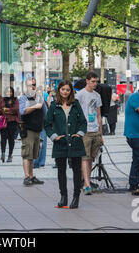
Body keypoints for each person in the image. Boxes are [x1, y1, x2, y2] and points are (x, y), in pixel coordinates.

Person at [45, 80, 87, 209]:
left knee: (76, 171)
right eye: (63, 89)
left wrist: (79, 134)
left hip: (75, 143)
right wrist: (54, 137)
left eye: (67, 90)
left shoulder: (76, 104)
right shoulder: (53, 105)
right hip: (60, 143)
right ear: (59, 90)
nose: (65, 92)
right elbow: (47, 124)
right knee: (61, 171)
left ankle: (76, 197)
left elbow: (83, 122)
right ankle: (63, 197)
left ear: (71, 92)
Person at [75, 71, 103, 195]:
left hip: (95, 130)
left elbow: (99, 114)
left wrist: (101, 133)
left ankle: (86, 180)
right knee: (85, 158)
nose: (95, 84)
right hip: (85, 131)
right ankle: (86, 184)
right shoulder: (80, 95)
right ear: (87, 81)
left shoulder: (97, 95)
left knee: (91, 158)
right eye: (92, 81)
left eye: (96, 81)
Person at [19, 77, 47, 186]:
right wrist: (35, 106)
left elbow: (45, 112)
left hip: (38, 129)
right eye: (30, 85)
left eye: (34, 85)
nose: (33, 87)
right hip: (28, 129)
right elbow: (23, 111)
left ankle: (31, 176)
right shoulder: (23, 98)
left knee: (33, 154)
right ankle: (26, 177)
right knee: (27, 154)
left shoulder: (39, 97)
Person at [0, 87, 20, 163]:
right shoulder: (2, 100)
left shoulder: (16, 100)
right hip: (3, 121)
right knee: (3, 138)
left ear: (13, 93)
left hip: (13, 122)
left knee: (11, 138)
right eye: (7, 92)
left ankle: (10, 155)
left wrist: (6, 110)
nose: (9, 93)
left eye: (10, 92)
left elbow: (16, 109)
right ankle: (3, 153)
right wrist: (9, 111)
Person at [34, 82, 51, 169]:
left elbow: (46, 114)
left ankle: (40, 162)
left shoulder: (42, 102)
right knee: (40, 143)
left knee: (42, 143)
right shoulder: (32, 101)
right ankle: (38, 162)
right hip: (35, 125)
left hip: (42, 125)